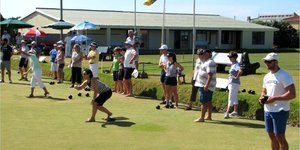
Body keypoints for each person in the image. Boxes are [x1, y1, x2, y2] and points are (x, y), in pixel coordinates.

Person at [259, 53, 296, 150]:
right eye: (265, 61)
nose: (266, 63)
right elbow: (264, 91)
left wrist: (274, 98)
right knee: (271, 136)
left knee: (279, 136)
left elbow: (292, 94)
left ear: (276, 62)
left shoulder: (284, 75)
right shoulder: (267, 76)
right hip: (268, 110)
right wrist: (262, 97)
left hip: (280, 110)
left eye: (269, 61)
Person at [194, 49, 216, 122]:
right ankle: (209, 116)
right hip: (203, 84)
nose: (203, 55)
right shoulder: (205, 61)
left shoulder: (210, 62)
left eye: (204, 53)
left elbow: (210, 75)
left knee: (203, 101)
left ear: (209, 54)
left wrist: (206, 85)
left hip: (206, 85)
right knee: (208, 101)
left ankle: (202, 118)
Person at [224, 51, 243, 118]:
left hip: (234, 83)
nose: (229, 58)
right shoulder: (233, 64)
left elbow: (240, 71)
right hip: (232, 83)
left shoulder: (236, 64)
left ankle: (227, 112)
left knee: (231, 97)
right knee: (234, 97)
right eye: (229, 57)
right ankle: (235, 111)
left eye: (230, 57)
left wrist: (236, 77)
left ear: (234, 57)